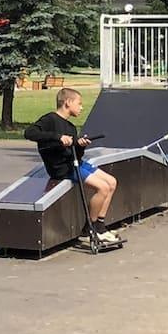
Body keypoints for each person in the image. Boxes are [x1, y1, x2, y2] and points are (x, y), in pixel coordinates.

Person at [24, 86, 119, 246]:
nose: (81, 107)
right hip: (61, 168)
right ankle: (89, 228)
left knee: (112, 182)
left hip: (75, 162)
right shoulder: (50, 119)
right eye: (79, 103)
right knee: (102, 188)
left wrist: (80, 145)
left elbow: (77, 155)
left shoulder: (71, 127)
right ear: (68, 102)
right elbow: (29, 133)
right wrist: (58, 137)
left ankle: (99, 226)